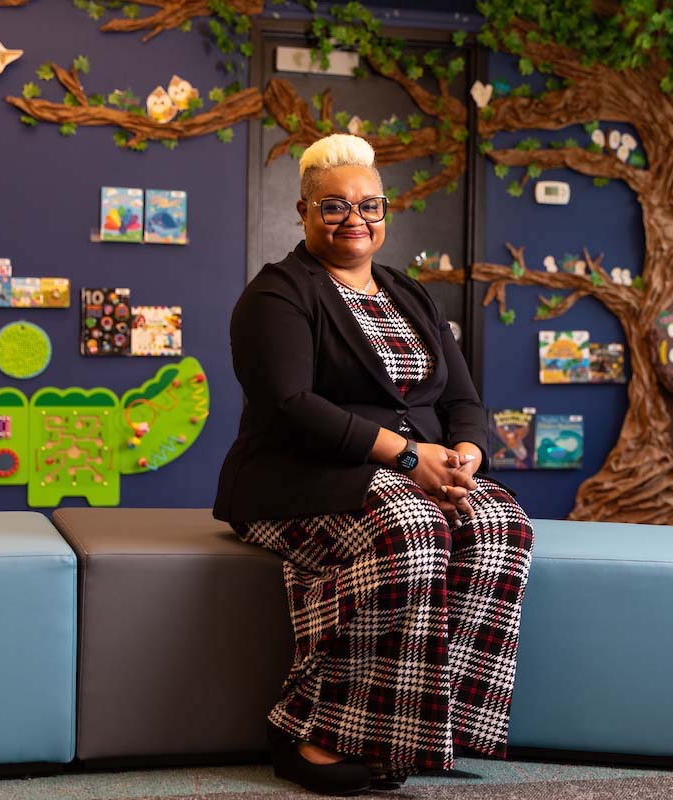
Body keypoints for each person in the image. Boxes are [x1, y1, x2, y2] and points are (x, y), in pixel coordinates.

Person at [214, 134, 535, 795]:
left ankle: (423, 731)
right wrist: (410, 456)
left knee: (503, 524)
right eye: (333, 206)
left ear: (385, 212)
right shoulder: (277, 294)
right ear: (302, 211)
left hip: (404, 474)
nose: (354, 218)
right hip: (294, 478)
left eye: (369, 204)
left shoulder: (409, 295)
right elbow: (289, 404)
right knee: (413, 533)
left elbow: (463, 399)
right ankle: (310, 730)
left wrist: (466, 455)